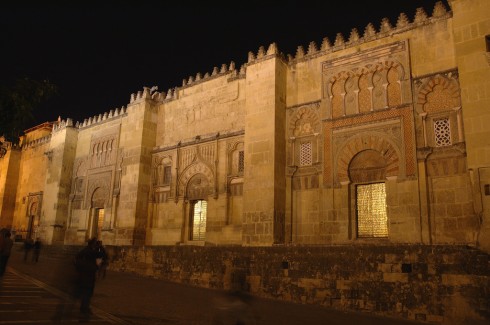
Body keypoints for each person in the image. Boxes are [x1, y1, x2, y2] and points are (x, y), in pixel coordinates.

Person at [74, 238, 98, 316]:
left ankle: (84, 307)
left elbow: (77, 258)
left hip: (85, 275)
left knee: (87, 292)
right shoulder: (90, 252)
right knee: (87, 293)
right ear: (92, 244)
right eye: (95, 243)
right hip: (88, 276)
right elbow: (93, 265)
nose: (96, 245)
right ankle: (85, 308)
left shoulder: (85, 251)